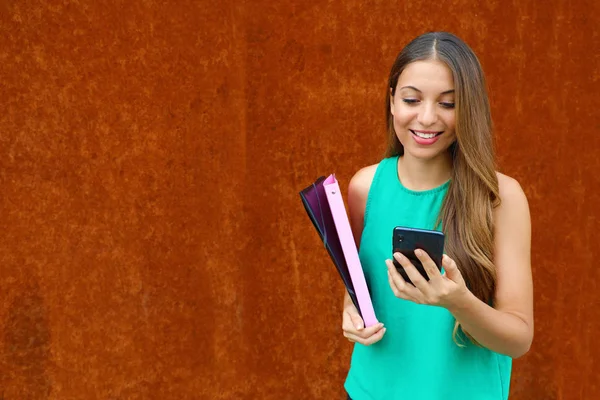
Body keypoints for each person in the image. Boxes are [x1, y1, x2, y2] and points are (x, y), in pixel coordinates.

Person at [341, 32, 533, 400]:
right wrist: (352, 310)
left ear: (469, 109)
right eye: (412, 99)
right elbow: (357, 285)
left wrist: (456, 300)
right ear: (392, 101)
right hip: (368, 391)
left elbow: (518, 339)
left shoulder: (500, 198)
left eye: (448, 103)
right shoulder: (364, 187)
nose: (426, 118)